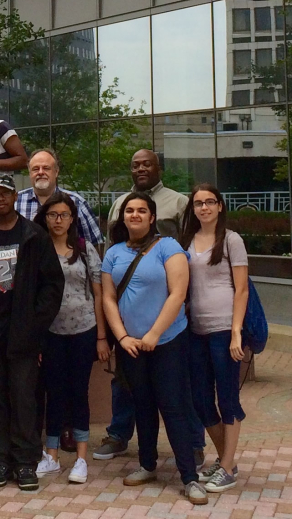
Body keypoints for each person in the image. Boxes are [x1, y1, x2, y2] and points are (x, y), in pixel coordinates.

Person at [101, 193, 207, 505]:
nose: (134, 215)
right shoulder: (114, 253)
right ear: (123, 217)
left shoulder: (169, 247)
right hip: (131, 345)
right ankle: (147, 465)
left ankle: (189, 477)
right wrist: (122, 337)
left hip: (167, 342)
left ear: (151, 217)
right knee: (142, 404)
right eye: (129, 210)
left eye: (141, 211)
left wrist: (153, 334)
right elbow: (108, 298)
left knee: (173, 406)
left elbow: (178, 294)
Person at [0, 172, 64, 491]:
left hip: (22, 337)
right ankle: (0, 459)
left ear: (13, 196)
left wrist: (34, 327)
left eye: (5, 192)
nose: (0, 198)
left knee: (23, 399)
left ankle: (25, 462)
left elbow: (52, 285)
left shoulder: (34, 235)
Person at [94, 148, 190, 461]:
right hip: (127, 314)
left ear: (159, 167)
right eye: (135, 165)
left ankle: (193, 447)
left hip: (167, 316)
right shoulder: (120, 203)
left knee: (175, 392)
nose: (141, 169)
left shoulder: (178, 202)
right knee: (124, 384)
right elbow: (113, 254)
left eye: (147, 163)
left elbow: (183, 254)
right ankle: (120, 434)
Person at [34, 193, 109, 484]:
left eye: (64, 215)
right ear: (45, 218)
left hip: (84, 330)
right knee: (54, 393)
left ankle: (80, 458)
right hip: (51, 332)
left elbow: (99, 293)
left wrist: (102, 336)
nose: (58, 220)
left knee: (79, 392)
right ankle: (50, 455)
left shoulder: (84, 248)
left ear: (72, 219)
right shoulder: (38, 249)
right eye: (52, 215)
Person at [180, 184, 248, 493]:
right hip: (196, 330)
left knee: (228, 399)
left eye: (210, 202)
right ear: (192, 208)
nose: (204, 207)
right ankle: (227, 462)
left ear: (220, 206)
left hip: (224, 330)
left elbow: (242, 289)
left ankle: (228, 467)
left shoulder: (232, 240)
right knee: (202, 400)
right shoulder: (187, 241)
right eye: (198, 203)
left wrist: (236, 331)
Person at [15, 149, 103, 247]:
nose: (40, 172)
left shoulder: (77, 202)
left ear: (56, 172)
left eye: (46, 168)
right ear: (29, 173)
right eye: (35, 169)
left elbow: (96, 243)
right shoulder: (16, 202)